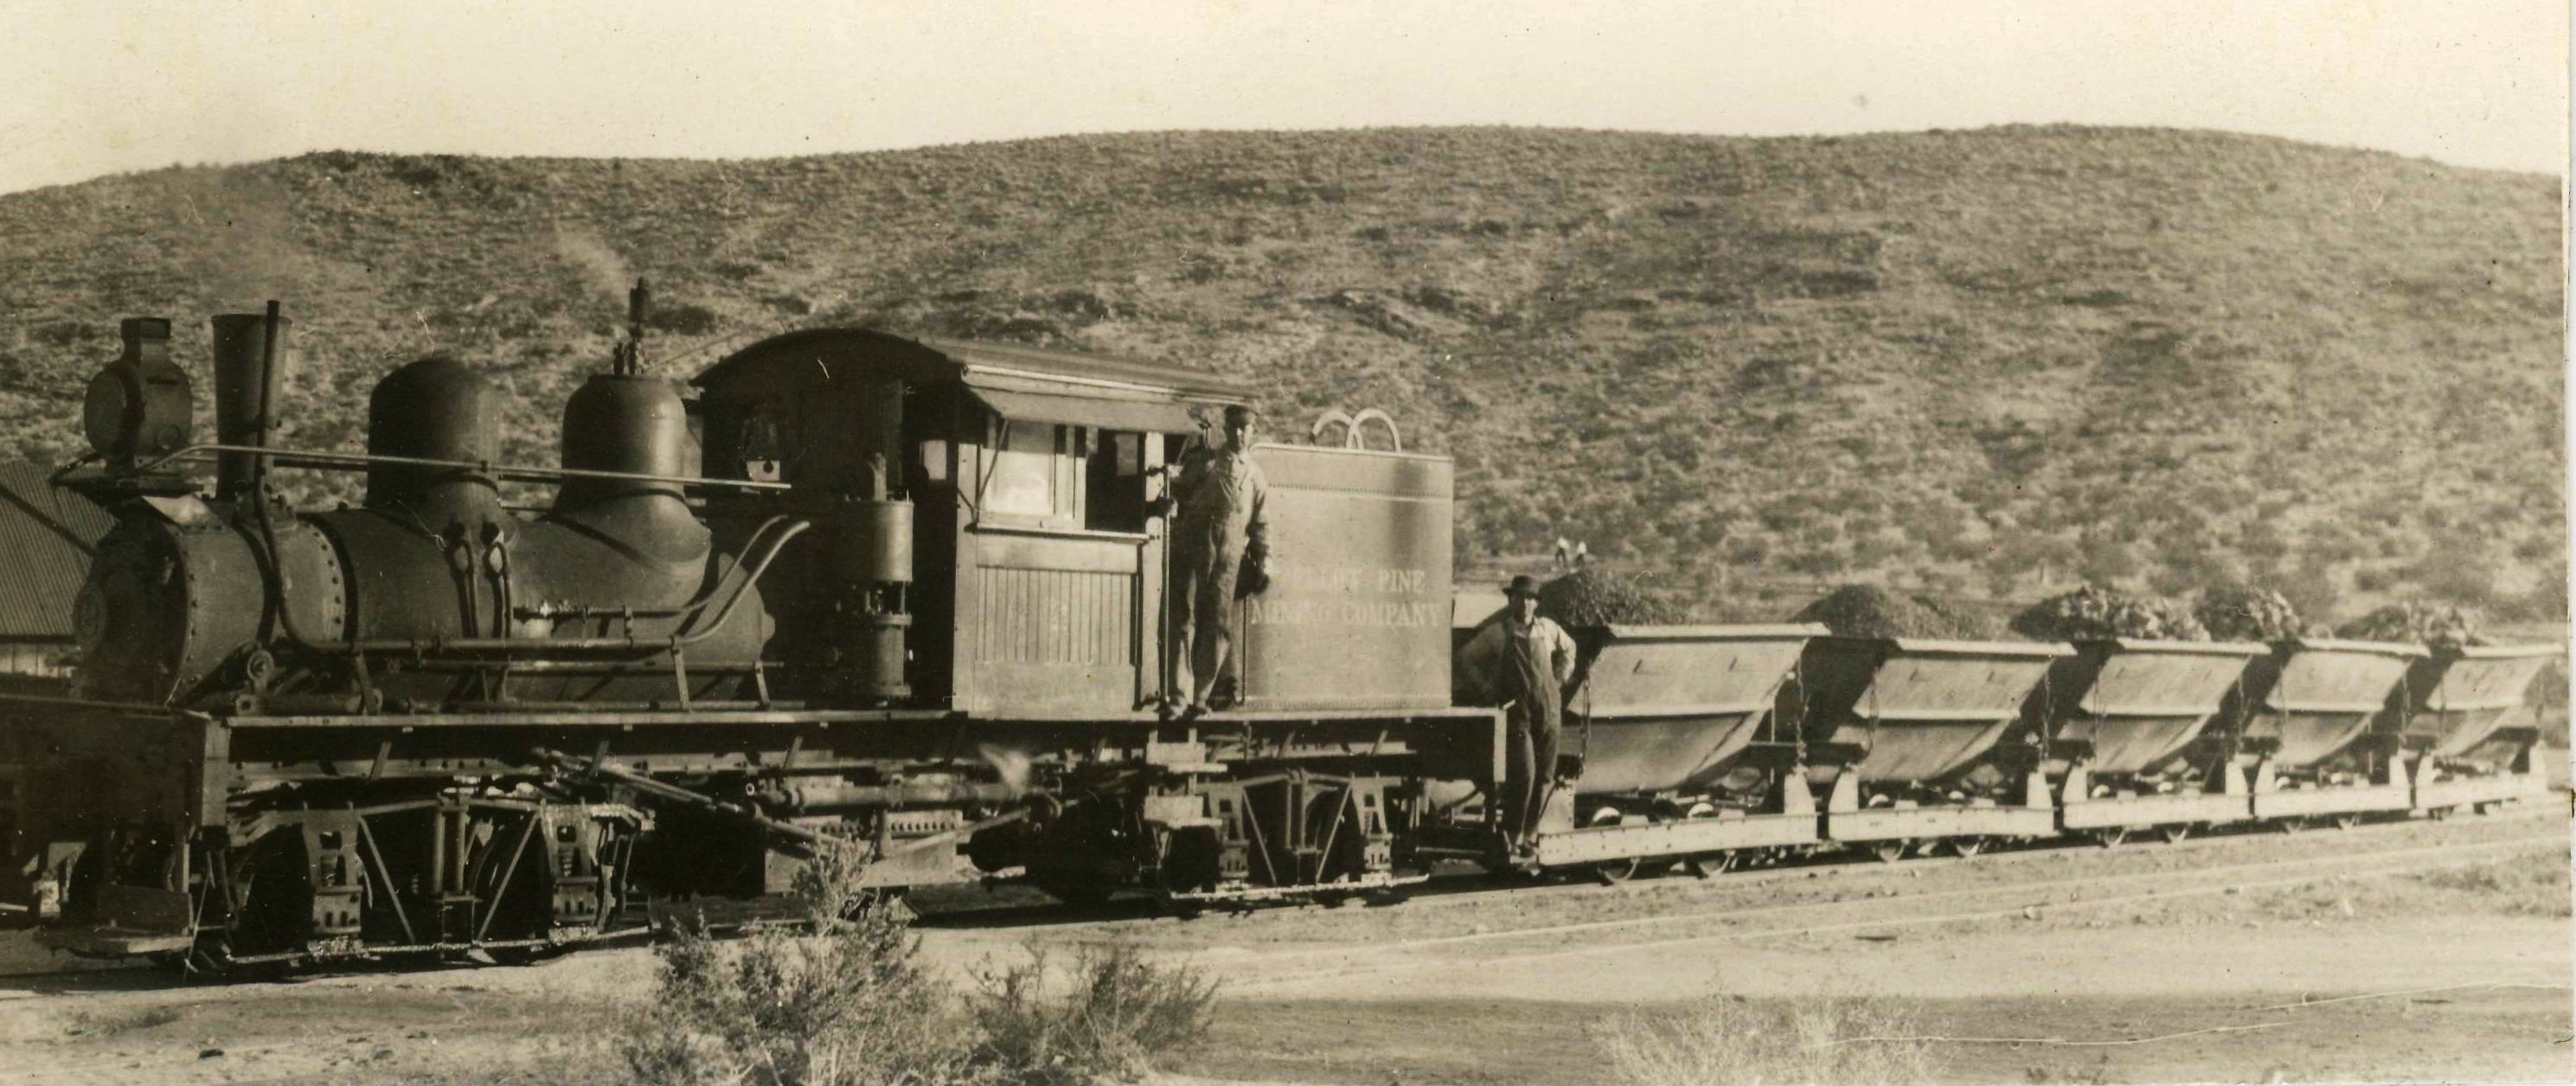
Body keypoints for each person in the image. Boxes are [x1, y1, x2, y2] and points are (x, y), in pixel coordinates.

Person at [1454, 574, 1578, 852]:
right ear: (1511, 600)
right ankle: (1512, 837)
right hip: (1518, 714)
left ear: (1537, 603)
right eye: (1520, 597)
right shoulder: (1498, 633)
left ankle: (1530, 837)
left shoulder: (1548, 630)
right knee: (1524, 777)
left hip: (1549, 712)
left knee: (1545, 778)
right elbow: (1465, 659)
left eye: (1530, 598)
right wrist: (1487, 690)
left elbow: (1570, 649)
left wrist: (1559, 679)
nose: (1525, 603)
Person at [1163, 404, 1270, 718]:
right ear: (1225, 430)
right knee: (1184, 623)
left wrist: (1265, 558)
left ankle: (1200, 699)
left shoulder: (1255, 478)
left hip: (1228, 562)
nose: (1238, 433)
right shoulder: (1205, 464)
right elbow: (1177, 490)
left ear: (1253, 433)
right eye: (1233, 427)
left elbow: (1261, 523)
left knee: (1217, 627)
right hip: (1193, 553)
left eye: (1245, 429)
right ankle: (1177, 698)